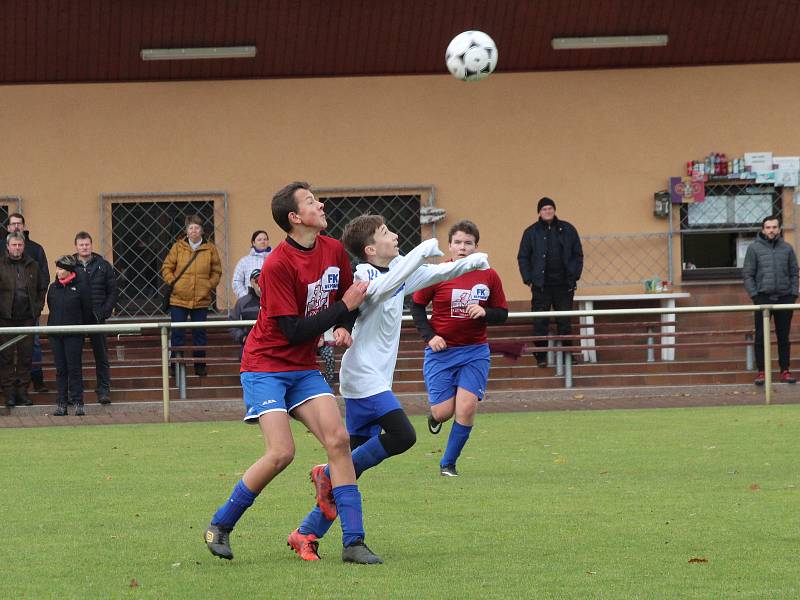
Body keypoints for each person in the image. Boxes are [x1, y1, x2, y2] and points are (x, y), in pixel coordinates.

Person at [290, 214, 490, 555]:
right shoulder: (364, 274)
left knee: (349, 471)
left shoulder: (399, 269)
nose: (395, 235)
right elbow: (384, 289)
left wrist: (473, 261)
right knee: (403, 435)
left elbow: (438, 272)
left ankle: (306, 532)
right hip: (363, 378)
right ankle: (325, 473)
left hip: (375, 379)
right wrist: (422, 251)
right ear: (370, 248)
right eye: (386, 232)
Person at [204, 181, 381, 565]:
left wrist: (344, 324)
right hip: (265, 364)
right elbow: (293, 330)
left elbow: (347, 299)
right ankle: (220, 524)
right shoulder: (277, 264)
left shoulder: (333, 249)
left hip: (302, 366)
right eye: (311, 202)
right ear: (295, 218)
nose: (320, 205)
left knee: (338, 441)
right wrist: (342, 308)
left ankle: (354, 542)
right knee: (282, 452)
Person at [411, 220, 508, 477]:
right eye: (457, 243)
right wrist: (430, 337)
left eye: (468, 243)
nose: (462, 247)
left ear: (477, 247)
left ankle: (448, 463)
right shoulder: (438, 273)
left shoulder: (489, 275)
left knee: (466, 408)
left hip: (474, 351)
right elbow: (416, 306)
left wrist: (485, 311)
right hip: (441, 353)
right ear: (450, 246)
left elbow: (502, 313)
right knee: (443, 412)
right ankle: (435, 417)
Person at [516, 197, 583, 367]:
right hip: (541, 286)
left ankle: (568, 354)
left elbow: (578, 255)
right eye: (544, 209)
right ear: (539, 212)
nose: (548, 211)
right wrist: (529, 280)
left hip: (564, 285)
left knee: (565, 321)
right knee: (540, 321)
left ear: (554, 210)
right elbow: (523, 257)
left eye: (550, 208)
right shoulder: (531, 232)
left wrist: (574, 275)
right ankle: (541, 357)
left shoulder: (568, 229)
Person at [161, 215, 222, 377]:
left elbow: (216, 271)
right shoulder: (177, 247)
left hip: (201, 300)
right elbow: (167, 267)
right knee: (178, 333)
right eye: (190, 228)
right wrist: (173, 282)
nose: (193, 231)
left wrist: (208, 285)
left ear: (201, 230)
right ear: (186, 231)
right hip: (178, 299)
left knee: (199, 334)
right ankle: (176, 365)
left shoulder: (210, 249)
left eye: (196, 227)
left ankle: (200, 365)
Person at [743, 215, 799, 385]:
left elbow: (794, 273)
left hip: (784, 298)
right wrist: (755, 296)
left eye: (774, 227)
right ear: (763, 230)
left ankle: (785, 371)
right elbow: (747, 274)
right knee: (761, 336)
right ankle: (762, 372)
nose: (771, 230)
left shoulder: (787, 248)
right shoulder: (753, 248)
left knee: (784, 337)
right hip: (763, 297)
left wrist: (793, 295)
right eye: (768, 227)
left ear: (779, 229)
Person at [2, 213, 50, 393]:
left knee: (28, 352)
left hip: (28, 316)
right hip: (5, 316)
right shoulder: (1, 258)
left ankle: (31, 384)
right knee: (5, 355)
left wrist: (37, 308)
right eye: (12, 224)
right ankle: (7, 391)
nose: (16, 247)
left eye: (19, 224)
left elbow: (42, 282)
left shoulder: (35, 252)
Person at [73, 231, 118, 404]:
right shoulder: (68, 265)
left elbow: (112, 292)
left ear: (91, 245)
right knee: (74, 358)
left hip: (97, 318)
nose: (84, 247)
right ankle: (74, 392)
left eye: (87, 244)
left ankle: (103, 390)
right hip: (75, 319)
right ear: (76, 246)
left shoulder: (104, 266)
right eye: (81, 244)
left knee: (101, 356)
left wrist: (104, 311)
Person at [46, 255, 94, 416]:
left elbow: (86, 310)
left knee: (74, 368)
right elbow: (51, 307)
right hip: (55, 334)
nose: (58, 272)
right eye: (58, 269)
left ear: (69, 270)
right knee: (61, 369)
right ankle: (61, 403)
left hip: (74, 334)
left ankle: (78, 402)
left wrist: (80, 328)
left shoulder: (81, 288)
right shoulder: (53, 288)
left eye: (61, 269)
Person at [228, 268, 261, 360]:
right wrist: (243, 337)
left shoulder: (273, 300)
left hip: (270, 345)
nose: (260, 283)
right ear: (251, 282)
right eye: (257, 280)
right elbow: (232, 324)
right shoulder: (242, 303)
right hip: (249, 346)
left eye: (262, 280)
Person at [232, 230, 272, 299]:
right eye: (259, 240)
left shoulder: (275, 259)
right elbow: (237, 282)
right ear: (253, 243)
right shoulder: (244, 261)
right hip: (250, 303)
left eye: (265, 239)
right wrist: (245, 296)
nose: (263, 241)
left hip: (271, 300)